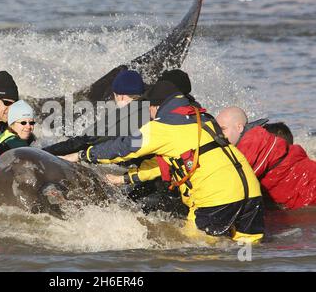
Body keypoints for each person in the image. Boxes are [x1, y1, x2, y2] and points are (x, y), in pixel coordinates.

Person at [64, 80, 264, 242]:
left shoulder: (162, 128)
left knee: (190, 252)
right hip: (252, 194)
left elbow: (123, 147)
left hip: (216, 200)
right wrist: (125, 179)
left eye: (148, 107)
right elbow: (165, 164)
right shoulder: (204, 119)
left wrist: (81, 155)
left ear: (156, 106)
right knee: (246, 253)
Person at [216, 107, 316, 209]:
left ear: (239, 128)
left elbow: (231, 183)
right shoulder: (258, 136)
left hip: (309, 188)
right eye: (216, 130)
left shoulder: (253, 143)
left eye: (223, 129)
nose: (218, 134)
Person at [43, 70, 147, 156]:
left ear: (121, 96)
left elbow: (81, 142)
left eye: (114, 95)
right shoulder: (151, 108)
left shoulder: (120, 118)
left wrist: (43, 152)